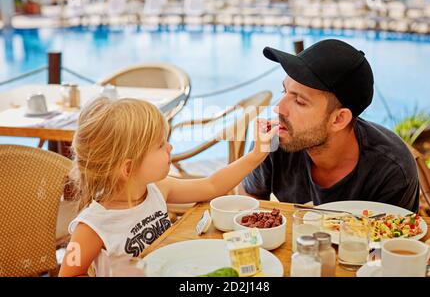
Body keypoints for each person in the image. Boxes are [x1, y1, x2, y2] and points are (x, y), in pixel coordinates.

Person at [59, 97, 278, 277]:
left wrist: (256, 155)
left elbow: (212, 185)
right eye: (160, 145)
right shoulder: (91, 226)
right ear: (128, 168)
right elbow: (67, 274)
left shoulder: (157, 189)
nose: (170, 146)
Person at [238, 39, 420, 212]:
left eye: (300, 101)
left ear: (339, 119)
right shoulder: (274, 139)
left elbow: (395, 238)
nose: (278, 108)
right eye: (284, 91)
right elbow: (250, 196)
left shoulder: (391, 170)